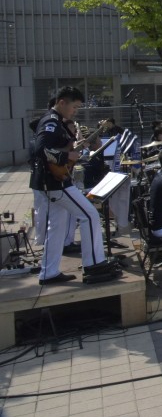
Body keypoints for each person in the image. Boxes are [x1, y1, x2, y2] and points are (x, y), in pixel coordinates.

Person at [30, 86, 119, 285]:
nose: (75, 112)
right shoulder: (51, 122)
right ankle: (93, 264)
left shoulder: (56, 122)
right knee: (89, 215)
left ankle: (49, 272)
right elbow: (40, 150)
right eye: (75, 107)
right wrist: (66, 156)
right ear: (62, 102)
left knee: (57, 228)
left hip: (50, 182)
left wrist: (71, 154)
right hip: (55, 183)